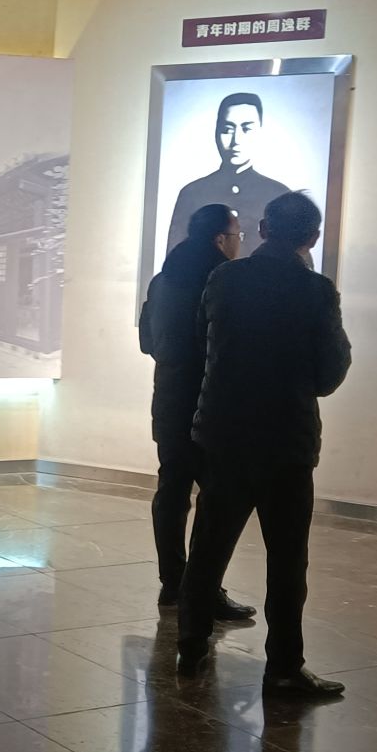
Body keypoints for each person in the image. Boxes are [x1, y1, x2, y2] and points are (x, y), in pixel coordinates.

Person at [176, 192, 351, 697]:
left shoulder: (224, 279)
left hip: (225, 433)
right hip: (285, 439)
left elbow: (201, 343)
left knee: (208, 547)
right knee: (287, 559)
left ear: (263, 229)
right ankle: (284, 668)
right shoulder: (316, 291)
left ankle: (190, 645)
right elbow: (329, 374)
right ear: (312, 237)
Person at [139, 202, 254, 621]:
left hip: (170, 400)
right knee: (218, 498)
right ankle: (204, 590)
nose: (240, 243)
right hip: (211, 403)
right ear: (220, 239)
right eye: (238, 235)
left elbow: (146, 341)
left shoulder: (163, 279)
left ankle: (173, 583)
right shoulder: (224, 281)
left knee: (172, 492)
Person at [164, 92, 298, 254]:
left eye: (246, 129)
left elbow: (295, 255)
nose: (236, 140)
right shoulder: (192, 193)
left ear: (261, 132)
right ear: (216, 132)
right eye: (228, 129)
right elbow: (175, 257)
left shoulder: (279, 194)